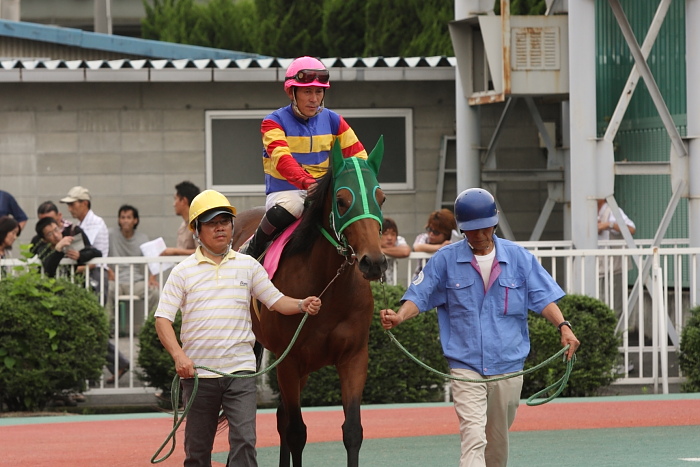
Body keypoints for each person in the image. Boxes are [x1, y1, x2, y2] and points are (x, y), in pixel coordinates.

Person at [380, 188, 580, 467]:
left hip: (509, 364)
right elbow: (419, 295)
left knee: (497, 442)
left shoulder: (519, 258)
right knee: (473, 436)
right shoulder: (444, 259)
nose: (477, 235)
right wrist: (400, 317)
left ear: (494, 223)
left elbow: (543, 298)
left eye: (483, 228)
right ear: (461, 228)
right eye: (470, 230)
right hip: (465, 365)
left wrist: (564, 326)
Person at [154, 189, 322, 466]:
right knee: (197, 452)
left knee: (245, 442)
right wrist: (179, 356)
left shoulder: (249, 266)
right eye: (211, 222)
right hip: (198, 376)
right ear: (197, 230)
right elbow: (163, 319)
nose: (220, 227)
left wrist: (302, 304)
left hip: (241, 372)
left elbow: (275, 301)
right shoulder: (182, 272)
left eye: (225, 221)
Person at [245, 56, 368, 260]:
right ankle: (253, 249)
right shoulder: (272, 122)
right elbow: (282, 159)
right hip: (287, 191)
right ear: (292, 92)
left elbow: (359, 155)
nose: (314, 98)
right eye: (307, 91)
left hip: (322, 190)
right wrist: (307, 183)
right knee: (293, 206)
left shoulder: (333, 120)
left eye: (318, 91)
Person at [35, 216, 129, 385]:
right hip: (53, 300)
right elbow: (48, 268)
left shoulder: (73, 234)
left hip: (76, 295)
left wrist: (79, 255)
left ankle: (103, 370)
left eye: (56, 229)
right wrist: (57, 250)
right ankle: (95, 375)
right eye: (50, 234)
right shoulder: (41, 247)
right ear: (44, 238)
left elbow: (95, 252)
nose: (56, 235)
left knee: (89, 332)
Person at [106, 204, 160, 323]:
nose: (125, 220)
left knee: (154, 291)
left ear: (135, 220)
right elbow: (101, 252)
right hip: (115, 281)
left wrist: (152, 277)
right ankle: (107, 327)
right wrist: (108, 270)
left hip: (135, 282)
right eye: (122, 217)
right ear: (119, 220)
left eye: (129, 217)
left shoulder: (143, 238)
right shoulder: (110, 235)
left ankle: (150, 327)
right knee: (107, 288)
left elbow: (153, 259)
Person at [60, 186, 110, 297]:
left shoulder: (96, 223)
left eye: (72, 204)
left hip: (96, 273)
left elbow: (99, 256)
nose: (69, 209)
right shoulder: (79, 225)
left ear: (85, 204)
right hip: (85, 273)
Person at [161, 181, 201, 257]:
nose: (174, 204)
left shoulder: (198, 223)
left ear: (184, 201)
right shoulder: (183, 224)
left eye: (175, 199)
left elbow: (202, 251)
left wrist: (175, 251)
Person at [380, 217, 410, 285]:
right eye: (385, 234)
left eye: (393, 234)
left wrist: (381, 250)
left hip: (391, 286)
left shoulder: (398, 240)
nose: (390, 238)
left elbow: (405, 251)